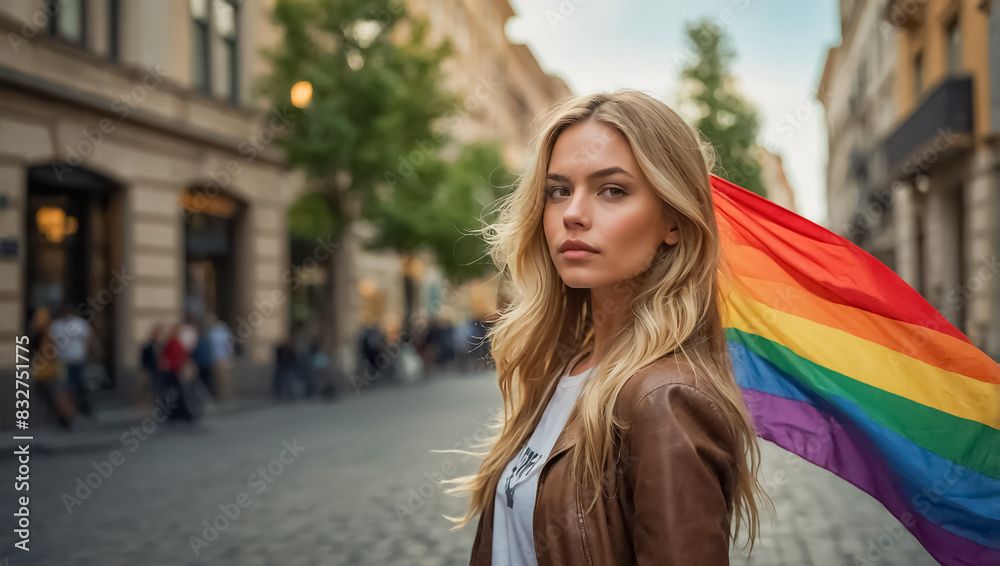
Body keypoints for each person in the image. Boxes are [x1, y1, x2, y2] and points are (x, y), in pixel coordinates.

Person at [440, 90, 770, 565]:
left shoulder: (665, 400)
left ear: (673, 221)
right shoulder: (563, 368)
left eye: (612, 190)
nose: (572, 213)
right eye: (558, 190)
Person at [48, 303, 98, 418]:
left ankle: (81, 408)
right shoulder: (57, 325)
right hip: (64, 361)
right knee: (67, 386)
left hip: (78, 359)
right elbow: (51, 342)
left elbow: (88, 339)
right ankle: (70, 410)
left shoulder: (79, 323)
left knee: (79, 384)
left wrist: (86, 353)